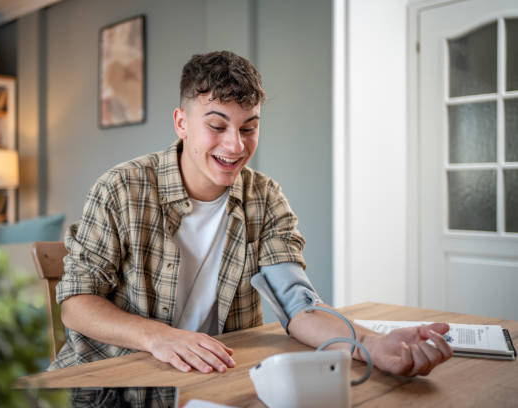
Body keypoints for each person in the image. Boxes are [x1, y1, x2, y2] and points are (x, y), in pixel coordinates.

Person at [51, 51, 452, 382]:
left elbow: (300, 309)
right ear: (181, 123)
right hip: (105, 378)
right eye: (217, 125)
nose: (235, 145)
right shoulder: (121, 188)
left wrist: (373, 345)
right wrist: (159, 337)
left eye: (249, 127)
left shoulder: (265, 197)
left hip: (209, 378)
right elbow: (75, 302)